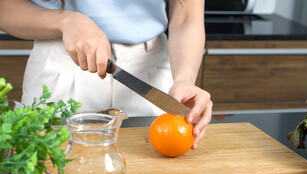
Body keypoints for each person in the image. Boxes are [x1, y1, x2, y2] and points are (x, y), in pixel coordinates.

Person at [0, 0, 212, 149]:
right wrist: (65, 21)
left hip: (153, 70)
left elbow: (187, 15)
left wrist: (184, 79)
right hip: (62, 61)